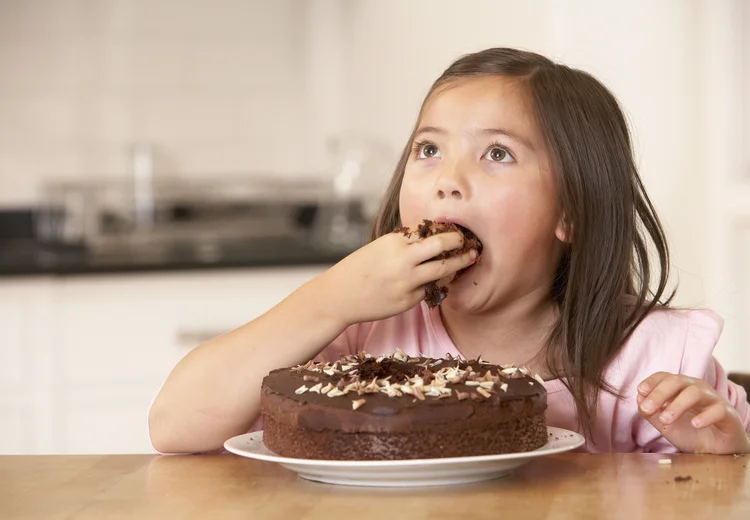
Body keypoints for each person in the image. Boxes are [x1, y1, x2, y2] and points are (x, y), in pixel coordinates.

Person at [148, 47, 750, 455]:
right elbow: (173, 426)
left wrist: (719, 445)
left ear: (572, 211)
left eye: (497, 154)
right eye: (427, 150)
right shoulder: (366, 338)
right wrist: (327, 301)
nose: (447, 179)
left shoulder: (652, 359)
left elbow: (719, 473)